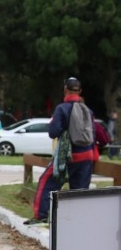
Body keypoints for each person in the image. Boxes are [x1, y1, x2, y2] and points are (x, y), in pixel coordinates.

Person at [25, 77, 99, 225]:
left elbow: (53, 132)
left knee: (46, 181)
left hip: (69, 155)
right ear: (80, 91)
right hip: (87, 155)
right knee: (80, 191)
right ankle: (80, 221)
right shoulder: (88, 110)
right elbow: (94, 134)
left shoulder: (62, 108)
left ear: (65, 89)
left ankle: (41, 215)